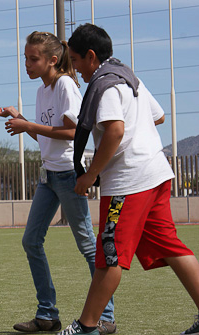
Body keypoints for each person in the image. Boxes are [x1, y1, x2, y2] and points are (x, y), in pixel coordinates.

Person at [56, 23, 199, 335]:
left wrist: (91, 174)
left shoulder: (104, 85)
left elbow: (116, 131)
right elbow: (158, 115)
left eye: (76, 60)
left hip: (128, 183)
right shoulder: (128, 76)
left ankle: (87, 326)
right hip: (156, 174)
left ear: (91, 57)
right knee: (171, 247)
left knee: (110, 253)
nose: (75, 68)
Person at [0, 31, 115, 334]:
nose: (27, 64)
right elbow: (46, 136)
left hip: (68, 174)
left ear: (51, 59)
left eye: (33, 58)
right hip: (48, 176)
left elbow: (76, 133)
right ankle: (47, 314)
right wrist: (22, 121)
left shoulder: (64, 85)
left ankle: (105, 317)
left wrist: (29, 124)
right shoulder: (41, 92)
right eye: (25, 58)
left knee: (87, 244)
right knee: (31, 241)